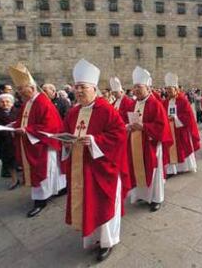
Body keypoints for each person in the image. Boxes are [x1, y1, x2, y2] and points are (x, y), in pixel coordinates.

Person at [62, 59, 130, 262]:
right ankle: (92, 239)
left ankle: (108, 242)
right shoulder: (73, 112)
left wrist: (93, 141)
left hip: (103, 168)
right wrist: (65, 143)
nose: (79, 91)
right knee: (89, 205)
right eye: (77, 87)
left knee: (105, 204)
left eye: (83, 87)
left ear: (94, 88)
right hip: (82, 168)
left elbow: (118, 135)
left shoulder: (107, 110)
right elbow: (65, 133)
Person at [9, 63, 66, 218]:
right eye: (18, 89)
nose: (19, 92)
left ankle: (40, 201)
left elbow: (50, 126)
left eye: (21, 89)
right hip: (33, 143)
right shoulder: (28, 102)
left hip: (44, 146)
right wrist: (13, 125)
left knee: (46, 171)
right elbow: (24, 120)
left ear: (31, 88)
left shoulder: (42, 102)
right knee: (49, 173)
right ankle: (59, 190)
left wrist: (27, 130)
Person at [126, 66, 173, 212]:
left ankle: (155, 199)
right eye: (134, 87)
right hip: (136, 142)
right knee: (138, 169)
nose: (136, 90)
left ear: (147, 87)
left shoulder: (155, 104)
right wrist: (129, 126)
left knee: (154, 172)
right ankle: (141, 195)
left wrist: (144, 127)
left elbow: (161, 126)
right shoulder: (135, 103)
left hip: (151, 144)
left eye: (139, 87)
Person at [162, 73, 200, 175]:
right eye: (167, 90)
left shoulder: (183, 100)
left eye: (171, 90)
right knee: (170, 148)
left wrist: (175, 118)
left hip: (180, 130)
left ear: (176, 89)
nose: (169, 92)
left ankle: (183, 167)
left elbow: (188, 116)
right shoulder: (165, 102)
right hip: (170, 130)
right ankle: (171, 169)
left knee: (182, 148)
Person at [0, 94, 20, 187]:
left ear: (12, 103)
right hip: (3, 140)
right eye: (2, 102)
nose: (5, 103)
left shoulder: (18, 111)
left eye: (7, 101)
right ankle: (14, 180)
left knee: (20, 159)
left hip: (17, 138)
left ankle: (26, 178)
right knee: (8, 162)